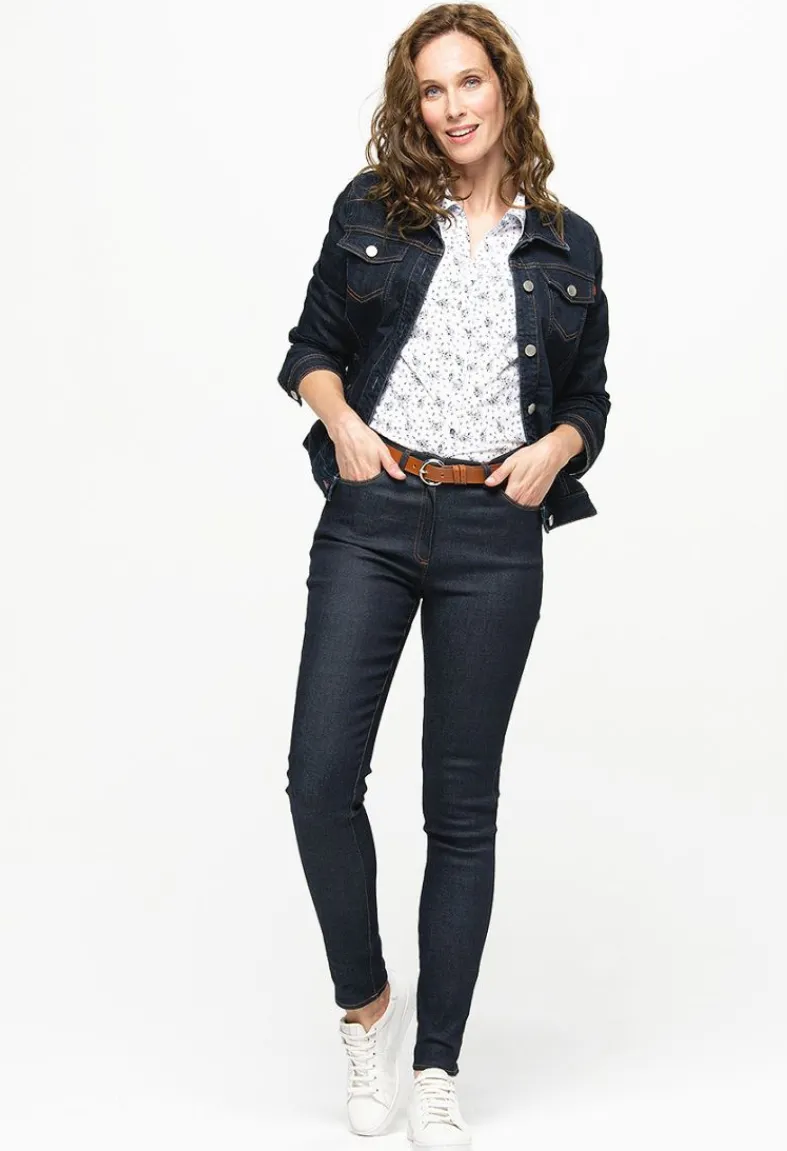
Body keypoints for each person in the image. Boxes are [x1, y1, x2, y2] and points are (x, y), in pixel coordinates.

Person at [277, 5, 610, 1145]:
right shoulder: (374, 210)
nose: (455, 105)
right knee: (320, 777)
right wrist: (343, 425)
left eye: (471, 81)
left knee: (461, 807)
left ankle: (436, 1062)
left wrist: (558, 447)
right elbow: (311, 346)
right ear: (412, 106)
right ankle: (367, 1006)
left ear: (505, 88)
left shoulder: (568, 244)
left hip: (493, 531)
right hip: (373, 510)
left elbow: (588, 396)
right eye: (433, 88)